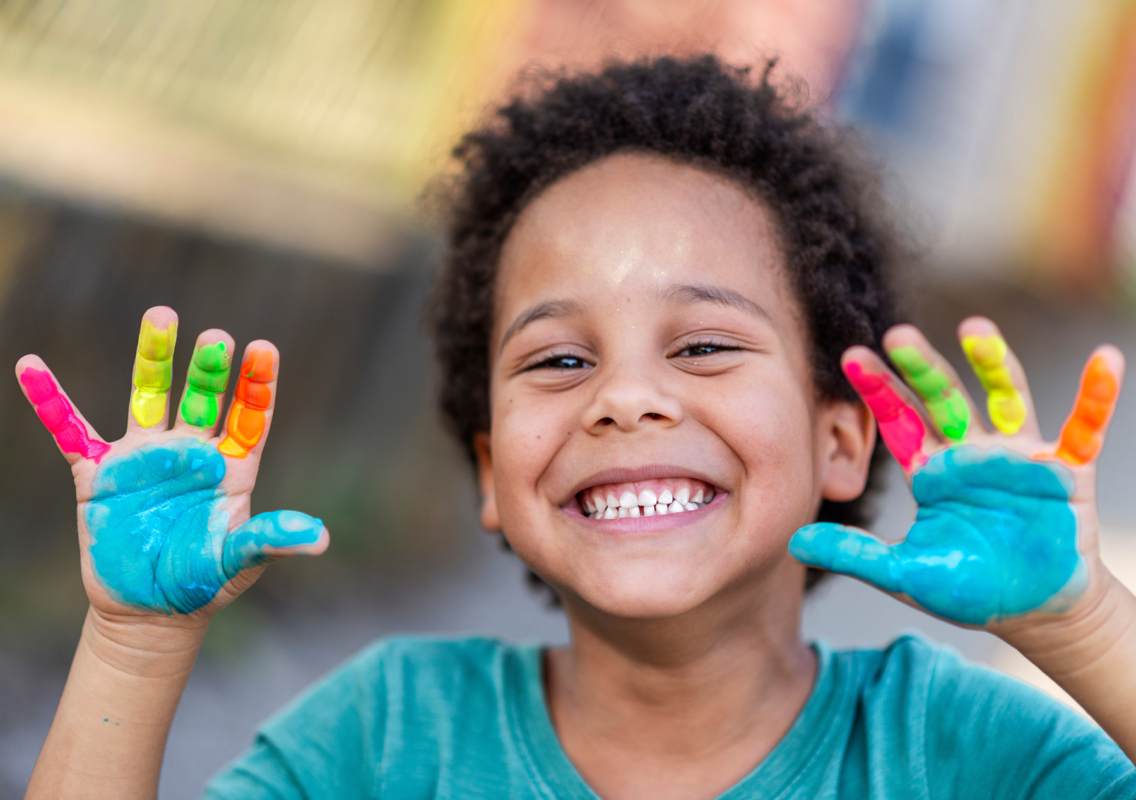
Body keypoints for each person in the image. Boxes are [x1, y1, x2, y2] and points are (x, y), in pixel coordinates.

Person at [19, 55, 1136, 799]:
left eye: (702, 344)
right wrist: (134, 638)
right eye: (558, 359)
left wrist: (1080, 620)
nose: (623, 398)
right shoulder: (388, 733)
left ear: (842, 438)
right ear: (492, 472)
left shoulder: (959, 750)